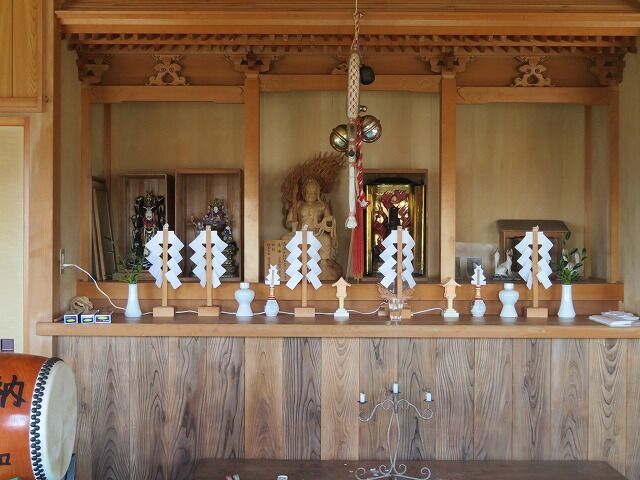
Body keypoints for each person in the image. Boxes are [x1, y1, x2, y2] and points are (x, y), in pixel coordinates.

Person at [283, 178, 342, 281]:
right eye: (308, 192)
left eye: (313, 193)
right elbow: (288, 222)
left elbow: (329, 221)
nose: (310, 195)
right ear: (303, 192)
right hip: (300, 233)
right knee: (284, 238)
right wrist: (293, 224)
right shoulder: (298, 205)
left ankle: (323, 264)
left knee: (326, 239)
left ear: (317, 193)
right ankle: (291, 266)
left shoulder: (322, 206)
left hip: (316, 233)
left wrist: (325, 223)